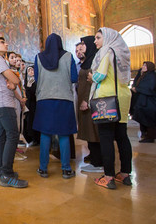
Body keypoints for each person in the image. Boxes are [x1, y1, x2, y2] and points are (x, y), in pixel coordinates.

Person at [88, 27, 132, 190]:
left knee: (106, 136)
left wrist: (92, 77)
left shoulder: (107, 51)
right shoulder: (121, 51)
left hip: (107, 98)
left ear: (106, 38)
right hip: (123, 96)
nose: (95, 41)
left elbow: (100, 75)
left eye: (98, 37)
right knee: (122, 136)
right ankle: (125, 174)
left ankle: (108, 176)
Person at [33, 33, 77, 179]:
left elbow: (37, 78)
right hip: (64, 99)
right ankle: (66, 169)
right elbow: (74, 78)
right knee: (64, 134)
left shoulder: (39, 57)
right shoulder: (68, 56)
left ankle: (43, 168)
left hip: (44, 99)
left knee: (45, 134)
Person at [0, 37, 28, 188]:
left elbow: (12, 83)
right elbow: (15, 80)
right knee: (12, 135)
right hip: (3, 102)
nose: (7, 44)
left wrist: (16, 90)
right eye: (3, 42)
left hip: (1, 101)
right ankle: (7, 175)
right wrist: (13, 79)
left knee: (2, 136)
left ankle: (0, 170)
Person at [76, 36, 103, 172]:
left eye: (83, 44)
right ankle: (94, 158)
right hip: (84, 101)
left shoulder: (94, 61)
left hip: (89, 102)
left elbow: (92, 84)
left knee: (93, 131)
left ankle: (98, 163)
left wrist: (86, 100)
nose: (81, 47)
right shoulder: (88, 61)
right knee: (88, 130)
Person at [131, 61, 156, 143]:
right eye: (143, 65)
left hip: (150, 103)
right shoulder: (145, 75)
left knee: (148, 119)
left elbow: (150, 88)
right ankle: (150, 134)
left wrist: (137, 89)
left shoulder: (152, 76)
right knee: (144, 118)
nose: (143, 67)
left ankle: (151, 135)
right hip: (144, 102)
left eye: (145, 65)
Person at [23, 65, 40, 147]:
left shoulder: (37, 81)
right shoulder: (26, 82)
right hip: (28, 105)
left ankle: (36, 139)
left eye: (32, 70)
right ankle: (31, 139)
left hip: (35, 105)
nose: (31, 72)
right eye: (29, 71)